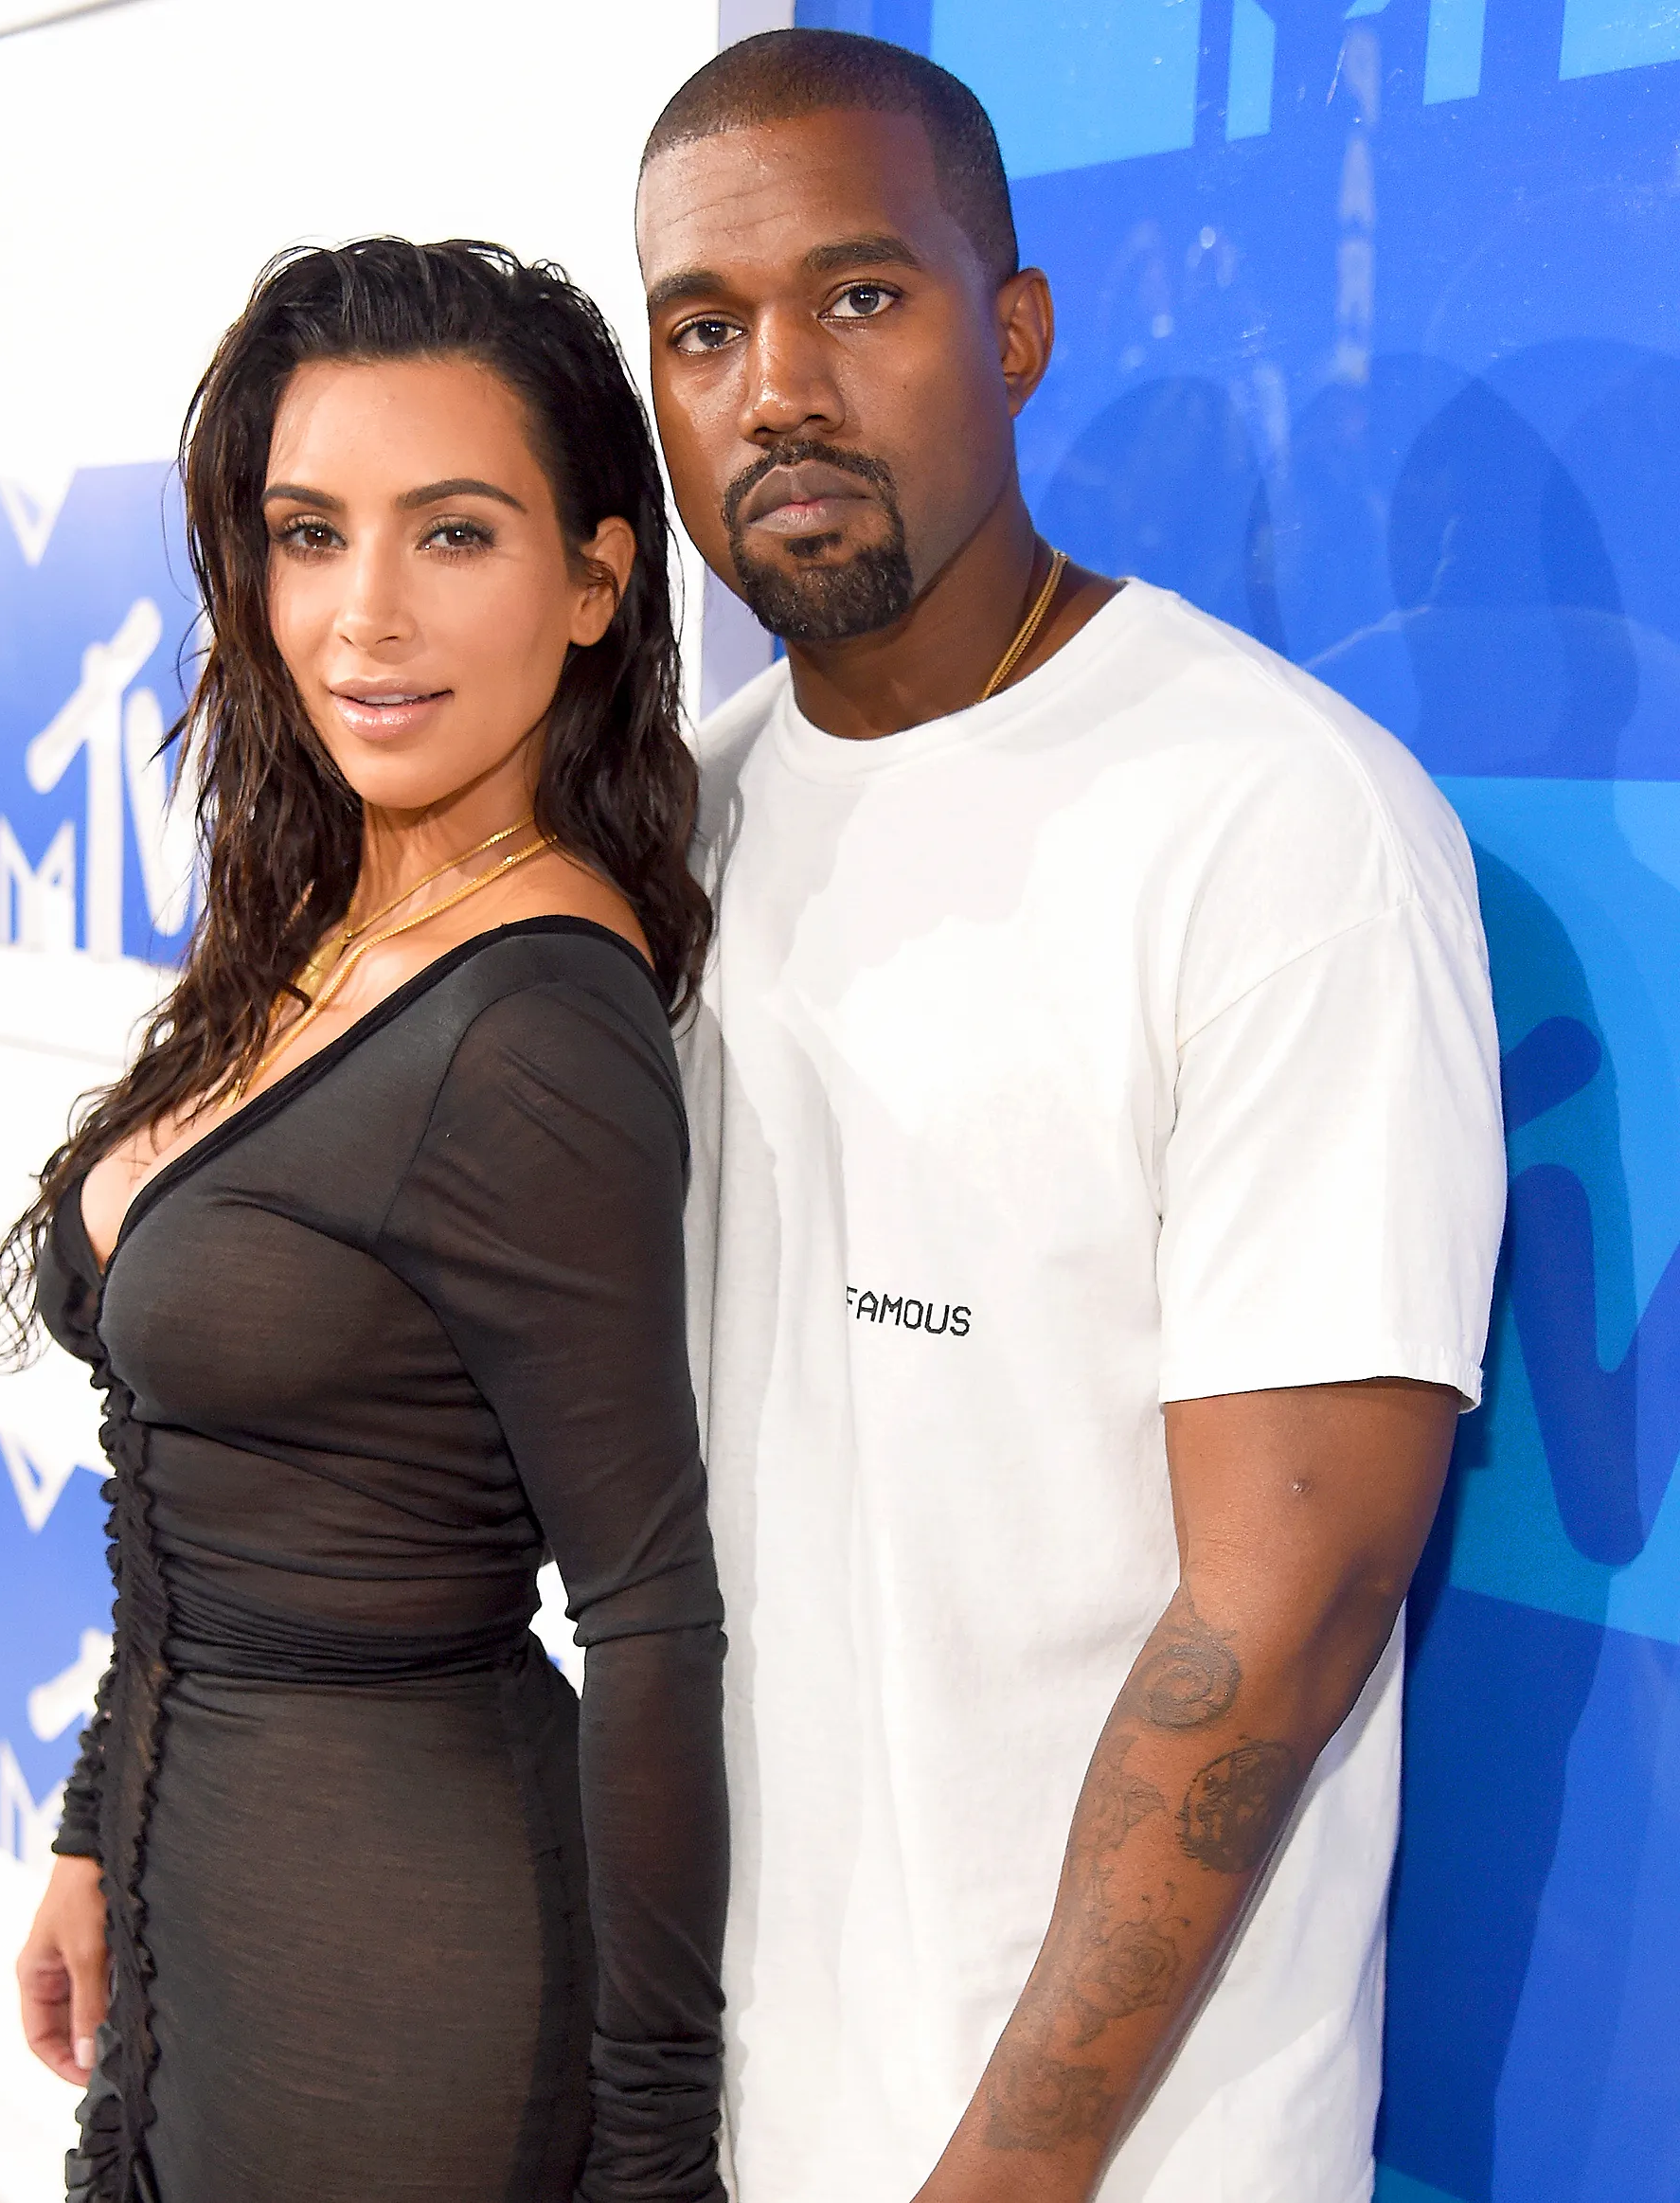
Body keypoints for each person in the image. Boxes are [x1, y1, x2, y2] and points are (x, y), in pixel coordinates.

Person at [635, 30, 1504, 2203]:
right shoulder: (682, 828)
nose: (778, 391)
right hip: (718, 2107)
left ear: (1010, 331)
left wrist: (1000, 2174)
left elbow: (1278, 1613)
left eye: (862, 297)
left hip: (1113, 2155)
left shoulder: (1272, 823)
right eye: (703, 329)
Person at [0, 238, 728, 2203]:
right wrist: (94, 1827)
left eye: (454, 534)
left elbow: (651, 1617)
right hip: (195, 1913)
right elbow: (207, 1497)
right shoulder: (330, 916)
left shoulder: (534, 1029)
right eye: (310, 534)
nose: (363, 618)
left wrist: (650, 2160)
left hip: (394, 1984)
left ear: (592, 577)